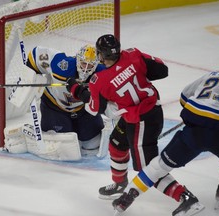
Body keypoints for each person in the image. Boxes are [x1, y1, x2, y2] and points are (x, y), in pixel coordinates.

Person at [66, 34, 204, 216]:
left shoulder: (99, 81)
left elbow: (94, 108)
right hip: (143, 112)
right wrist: (133, 75)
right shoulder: (133, 54)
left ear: (101, 56)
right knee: (116, 143)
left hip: (141, 120)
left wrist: (77, 90)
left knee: (150, 170)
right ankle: (119, 183)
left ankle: (186, 198)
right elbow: (162, 70)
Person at [112, 57, 219, 214]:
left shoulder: (213, 74)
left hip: (194, 133)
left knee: (159, 165)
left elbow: (185, 96)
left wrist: (194, 118)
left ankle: (126, 197)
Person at [5, 44, 111, 161]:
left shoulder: (103, 72)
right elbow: (34, 55)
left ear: (96, 64)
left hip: (83, 109)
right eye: (83, 63)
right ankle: (26, 137)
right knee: (63, 147)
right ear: (77, 59)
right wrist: (30, 78)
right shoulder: (61, 64)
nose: (85, 68)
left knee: (93, 145)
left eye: (90, 65)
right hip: (54, 106)